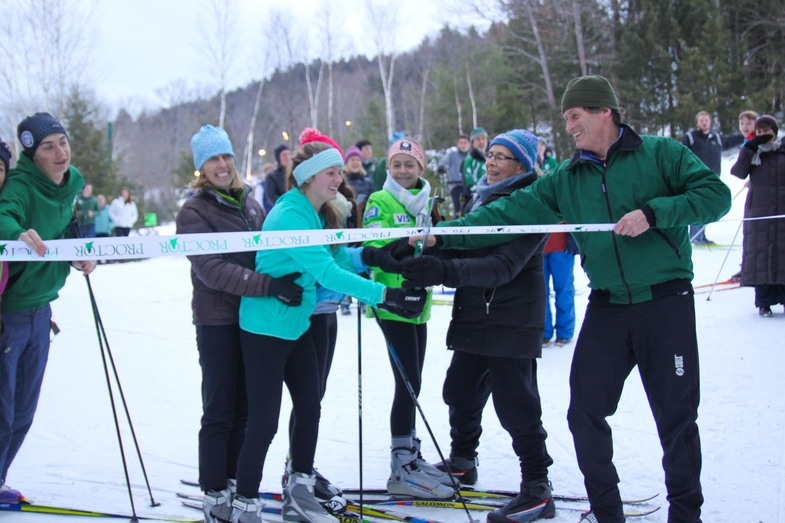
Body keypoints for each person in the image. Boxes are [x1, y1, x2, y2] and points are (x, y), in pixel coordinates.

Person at [417, 76, 731, 522]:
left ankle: (685, 514)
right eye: (566, 118)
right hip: (607, 305)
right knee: (584, 413)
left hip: (666, 303)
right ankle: (606, 513)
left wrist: (654, 213)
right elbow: (504, 215)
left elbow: (715, 196)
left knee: (676, 419)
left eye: (575, 116)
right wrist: (436, 239)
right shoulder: (567, 178)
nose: (569, 127)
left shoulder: (662, 154)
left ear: (605, 111)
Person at [232, 136, 426, 523]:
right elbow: (327, 272)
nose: (340, 178)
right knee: (265, 423)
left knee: (309, 407)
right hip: (265, 331)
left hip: (298, 324)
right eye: (332, 172)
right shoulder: (290, 214)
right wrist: (384, 294)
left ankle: (300, 490)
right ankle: (245, 506)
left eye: (340, 171)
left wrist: (372, 255)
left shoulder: (316, 211)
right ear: (308, 176)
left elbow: (338, 256)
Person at [400, 129, 556, 522]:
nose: (491, 161)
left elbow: (502, 266)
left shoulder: (530, 204)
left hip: (512, 317)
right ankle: (463, 461)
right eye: (492, 154)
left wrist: (443, 269)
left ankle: (538, 486)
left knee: (516, 404)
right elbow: (463, 241)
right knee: (460, 391)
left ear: (521, 166)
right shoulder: (482, 196)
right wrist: (422, 244)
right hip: (475, 313)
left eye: (502, 157)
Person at [175, 125, 305, 523]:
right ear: (201, 167)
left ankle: (233, 479)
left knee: (247, 405)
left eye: (226, 156)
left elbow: (268, 247)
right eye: (213, 159)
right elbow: (212, 270)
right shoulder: (194, 210)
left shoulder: (249, 202)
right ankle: (214, 490)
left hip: (253, 318)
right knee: (219, 406)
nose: (222, 164)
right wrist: (268, 285)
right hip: (217, 319)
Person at [0, 113, 97, 503]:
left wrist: (78, 253)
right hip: (11, 311)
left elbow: (64, 227)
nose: (60, 152)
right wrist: (17, 233)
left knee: (23, 410)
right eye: (48, 146)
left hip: (42, 310)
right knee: (3, 410)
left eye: (62, 141)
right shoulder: (21, 186)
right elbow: (4, 216)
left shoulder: (68, 183)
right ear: (31, 154)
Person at [363, 138, 454, 500]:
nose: (403, 171)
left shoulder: (427, 203)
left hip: (421, 302)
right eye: (397, 164)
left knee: (414, 382)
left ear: (421, 169)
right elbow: (373, 247)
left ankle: (411, 455)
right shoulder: (379, 200)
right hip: (392, 301)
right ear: (388, 168)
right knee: (407, 382)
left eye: (410, 165)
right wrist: (404, 253)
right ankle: (401, 464)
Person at [730, 114, 785, 317]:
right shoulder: (753, 154)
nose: (763, 135)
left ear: (775, 132)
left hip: (782, 211)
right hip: (759, 210)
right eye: (759, 131)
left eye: (767, 131)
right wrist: (749, 148)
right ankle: (764, 303)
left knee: (782, 254)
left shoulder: (782, 151)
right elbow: (737, 172)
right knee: (761, 255)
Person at [537, 142, 578, 348]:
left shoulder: (562, 187)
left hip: (561, 247)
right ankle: (544, 332)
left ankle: (565, 330)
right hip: (539, 249)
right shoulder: (532, 191)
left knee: (564, 290)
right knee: (540, 292)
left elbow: (574, 212)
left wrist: (574, 240)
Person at [680, 110, 732, 246]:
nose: (704, 122)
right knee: (698, 206)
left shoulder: (717, 138)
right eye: (701, 120)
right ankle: (695, 236)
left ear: (710, 122)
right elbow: (679, 152)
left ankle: (701, 235)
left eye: (706, 120)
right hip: (695, 178)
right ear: (697, 123)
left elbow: (732, 141)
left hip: (713, 179)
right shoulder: (690, 137)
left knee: (708, 207)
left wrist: (750, 137)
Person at [438, 135, 471, 218]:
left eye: (465, 143)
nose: (463, 145)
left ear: (469, 144)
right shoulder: (452, 155)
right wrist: (441, 167)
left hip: (469, 186)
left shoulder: (471, 156)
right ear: (458, 144)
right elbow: (443, 162)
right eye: (461, 143)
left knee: (470, 207)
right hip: (456, 185)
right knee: (459, 207)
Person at [263, 144, 290, 213]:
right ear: (278, 158)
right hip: (282, 211)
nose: (287, 157)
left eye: (288, 154)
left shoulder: (295, 173)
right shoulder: (272, 177)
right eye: (284, 155)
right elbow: (272, 197)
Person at [462, 127, 488, 194]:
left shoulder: (490, 158)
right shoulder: (469, 160)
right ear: (472, 143)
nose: (481, 142)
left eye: (483, 139)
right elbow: (469, 182)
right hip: (478, 198)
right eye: (478, 139)